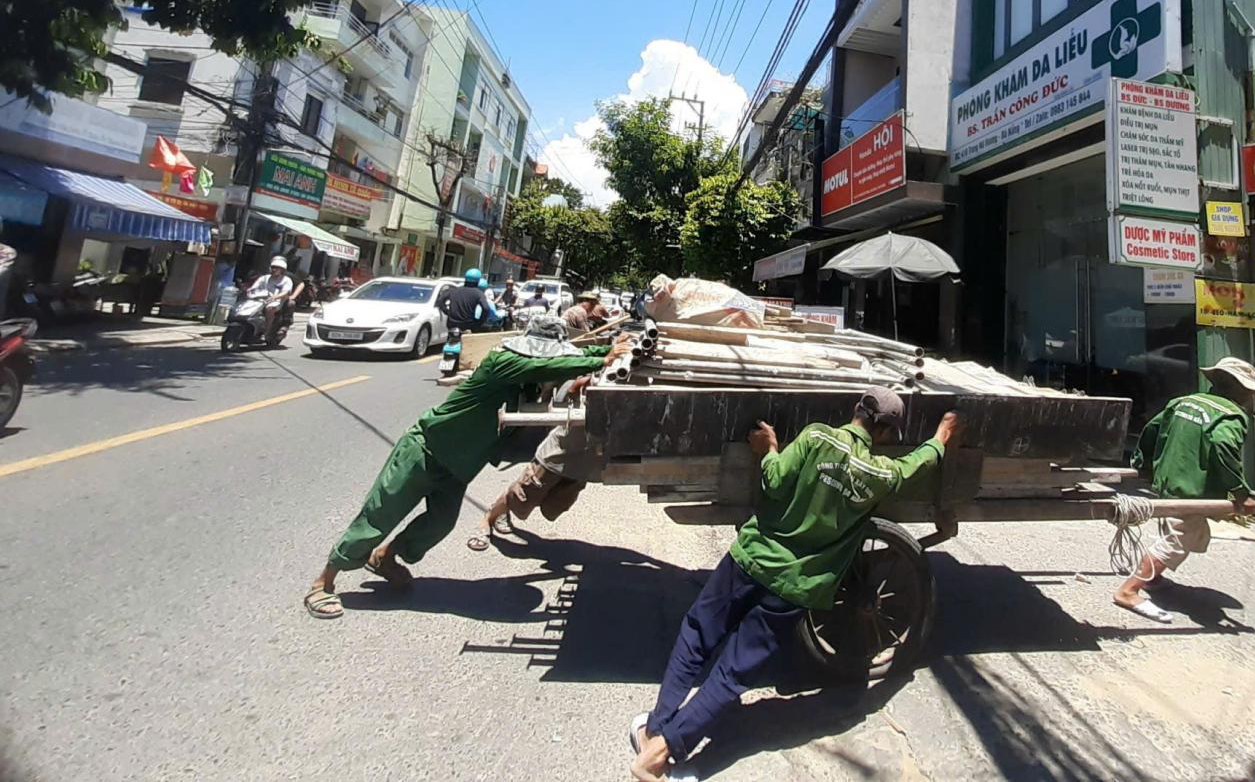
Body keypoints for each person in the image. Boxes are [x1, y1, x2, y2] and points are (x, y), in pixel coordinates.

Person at [628, 389, 959, 781]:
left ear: (855, 410)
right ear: (885, 433)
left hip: (752, 559)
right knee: (733, 673)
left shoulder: (816, 437)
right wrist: (940, 440)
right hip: (795, 587)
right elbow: (911, 467)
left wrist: (768, 448)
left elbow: (773, 480)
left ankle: (656, 732)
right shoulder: (878, 474)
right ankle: (663, 748)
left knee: (697, 634)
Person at [303, 315, 630, 619]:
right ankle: (323, 582)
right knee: (379, 515)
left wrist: (609, 350)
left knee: (440, 523)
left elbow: (560, 363)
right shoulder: (504, 362)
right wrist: (599, 359)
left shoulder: (525, 377)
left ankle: (386, 556)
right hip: (426, 450)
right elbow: (556, 366)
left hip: (459, 465)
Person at [1113, 356, 1255, 624]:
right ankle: (1129, 590)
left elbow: (1151, 429)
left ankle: (1154, 577)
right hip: (1190, 487)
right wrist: (1240, 494)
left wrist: (1143, 464)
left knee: (1174, 528)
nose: (1251, 399)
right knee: (1179, 540)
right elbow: (1222, 446)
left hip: (1167, 480)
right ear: (1240, 390)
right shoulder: (1231, 416)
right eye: (1250, 392)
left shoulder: (1184, 401)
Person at [466, 380, 601, 548]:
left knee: (554, 507)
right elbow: (572, 391)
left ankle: (504, 511)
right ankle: (487, 519)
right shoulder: (596, 380)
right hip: (557, 455)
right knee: (522, 494)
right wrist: (583, 386)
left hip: (583, 464)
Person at [246, 256, 295, 337]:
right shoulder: (264, 278)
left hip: (276, 302)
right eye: (273, 267)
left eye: (277, 268)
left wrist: (275, 297)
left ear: (282, 270)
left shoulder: (286, 280)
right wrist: (248, 290)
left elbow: (286, 292)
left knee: (270, 309)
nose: (274, 269)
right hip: (259, 300)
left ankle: (266, 331)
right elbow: (254, 288)